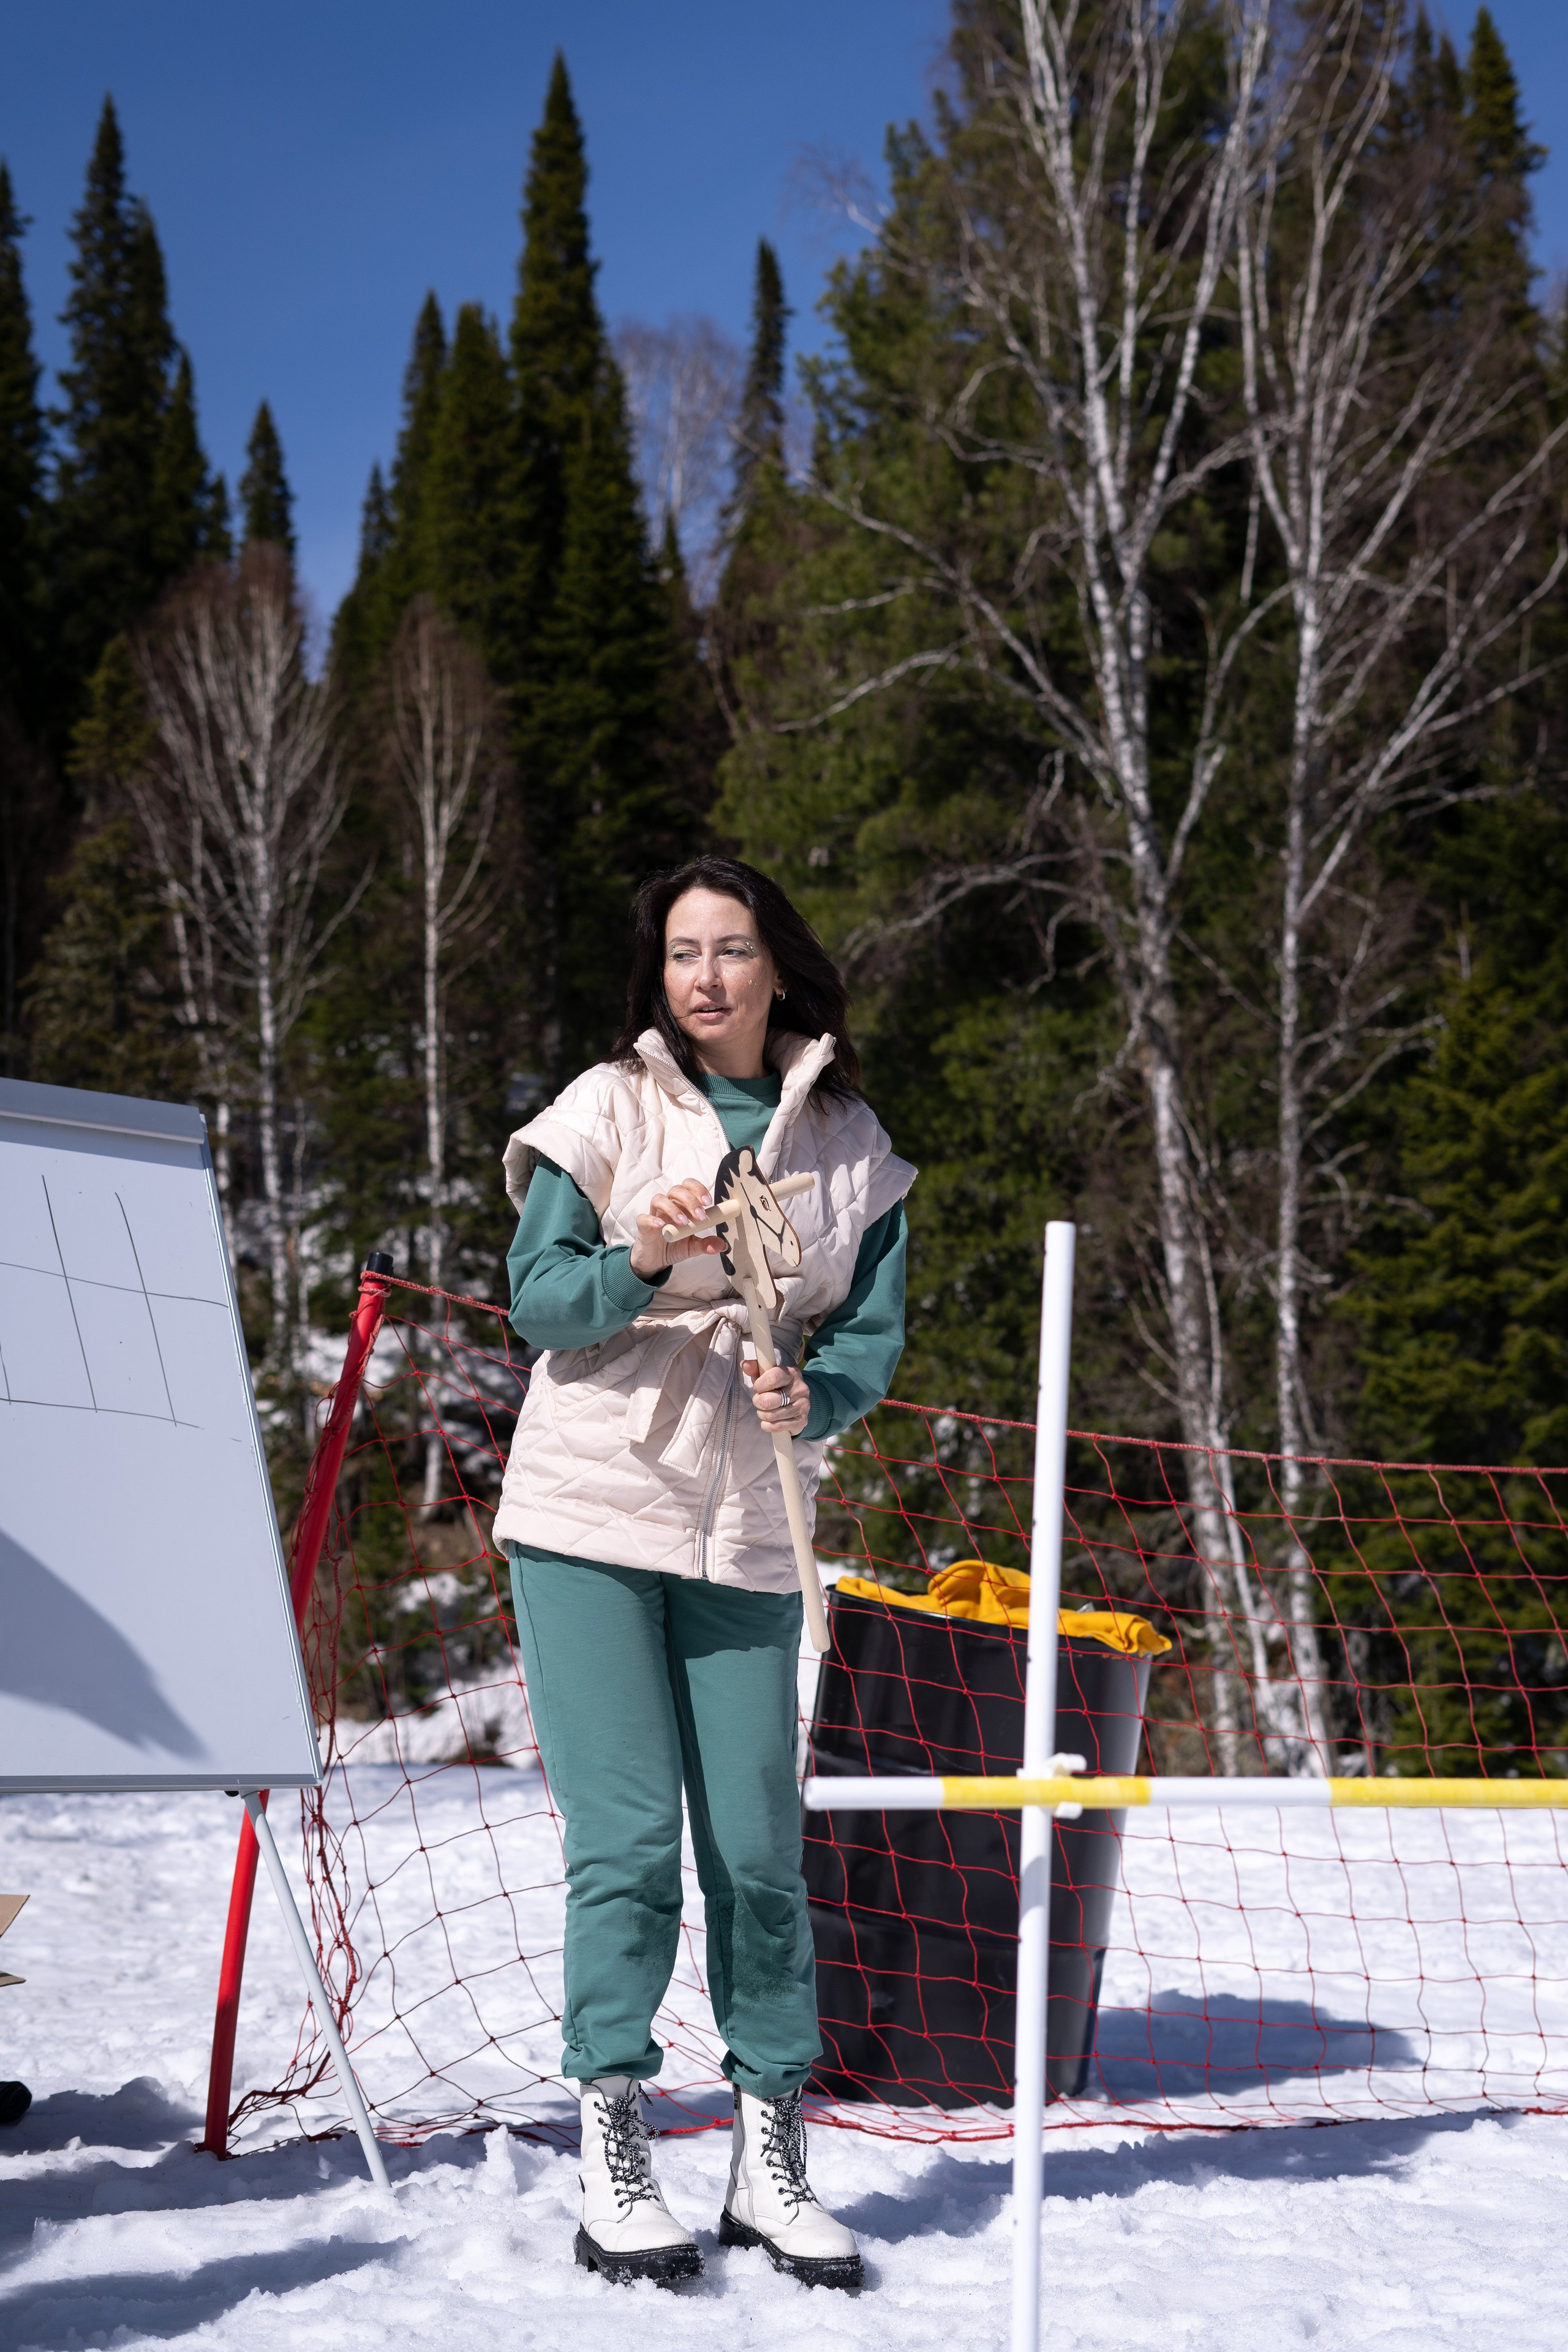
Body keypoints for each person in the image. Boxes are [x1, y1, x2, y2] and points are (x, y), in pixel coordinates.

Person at [496, 856, 914, 2289]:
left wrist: (823, 1394)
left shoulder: (848, 1141)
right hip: (590, 1513)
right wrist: (637, 1258)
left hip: (748, 1525)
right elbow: (538, 1301)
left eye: (730, 949)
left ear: (776, 968)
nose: (706, 978)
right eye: (681, 952)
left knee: (756, 1854)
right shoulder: (604, 1107)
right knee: (625, 1851)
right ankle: (615, 2145)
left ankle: (766, 2152)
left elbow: (865, 1331)